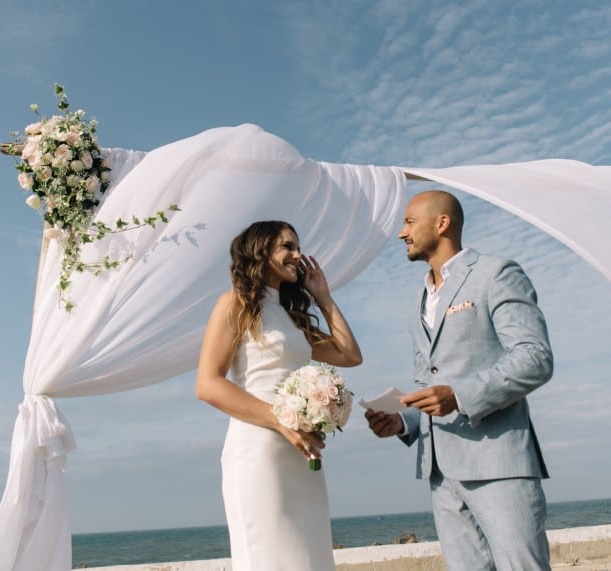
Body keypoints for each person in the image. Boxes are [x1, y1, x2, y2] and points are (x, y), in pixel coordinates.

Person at [365, 190, 554, 571]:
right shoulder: (417, 300)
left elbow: (535, 356)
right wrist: (403, 421)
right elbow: (428, 384)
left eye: (409, 222)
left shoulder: (496, 273)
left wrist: (460, 396)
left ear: (442, 223)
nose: (402, 233)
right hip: (440, 472)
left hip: (497, 461)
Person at [196, 220, 363, 571]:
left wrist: (324, 297)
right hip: (260, 452)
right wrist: (284, 422)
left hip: (302, 454)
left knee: (310, 558)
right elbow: (208, 384)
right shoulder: (235, 304)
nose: (297, 255)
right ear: (260, 251)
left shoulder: (292, 318)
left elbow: (349, 355)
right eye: (287, 246)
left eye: (297, 246)